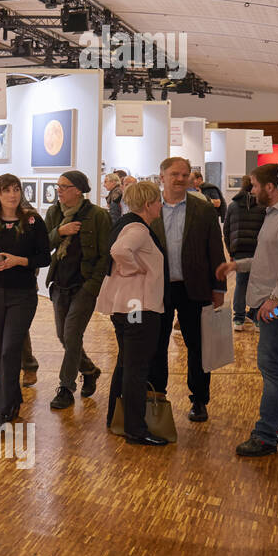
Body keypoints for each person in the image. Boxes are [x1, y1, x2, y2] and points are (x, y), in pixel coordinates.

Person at [216, 164, 278, 456]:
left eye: (255, 185)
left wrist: (275, 299)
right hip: (274, 300)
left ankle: (266, 435)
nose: (252, 190)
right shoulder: (277, 215)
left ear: (270, 187)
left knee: (271, 365)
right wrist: (239, 265)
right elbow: (270, 259)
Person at [149, 156, 226, 423]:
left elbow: (215, 249)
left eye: (185, 174)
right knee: (156, 345)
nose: (181, 179)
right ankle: (157, 396)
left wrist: (219, 288)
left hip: (195, 288)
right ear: (162, 177)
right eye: (175, 174)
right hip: (158, 288)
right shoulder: (149, 208)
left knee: (198, 346)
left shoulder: (202, 209)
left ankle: (199, 400)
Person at [0, 174, 50, 423]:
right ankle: (13, 399)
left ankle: (3, 408)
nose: (12, 195)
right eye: (6, 190)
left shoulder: (33, 221)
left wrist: (19, 261)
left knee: (10, 350)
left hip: (22, 294)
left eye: (16, 189)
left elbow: (44, 257)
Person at [96, 180, 168, 445]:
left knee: (127, 362)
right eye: (158, 201)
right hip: (138, 307)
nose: (161, 205)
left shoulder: (126, 224)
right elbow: (119, 250)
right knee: (136, 368)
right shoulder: (137, 228)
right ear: (148, 204)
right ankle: (135, 429)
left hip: (126, 305)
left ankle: (117, 418)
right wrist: (135, 267)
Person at [44, 170, 110, 409]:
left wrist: (93, 285)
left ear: (78, 190)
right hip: (60, 284)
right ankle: (89, 370)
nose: (59, 190)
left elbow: (105, 256)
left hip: (84, 285)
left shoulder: (98, 216)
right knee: (63, 336)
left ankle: (65, 387)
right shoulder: (54, 213)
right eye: (58, 185)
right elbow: (42, 245)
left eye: (63, 186)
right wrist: (60, 232)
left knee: (72, 335)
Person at [223, 174, 264, 331]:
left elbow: (226, 230)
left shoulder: (233, 205)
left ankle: (238, 319)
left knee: (241, 283)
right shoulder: (262, 205)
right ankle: (256, 317)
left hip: (239, 249)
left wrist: (230, 250)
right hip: (258, 249)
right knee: (258, 284)